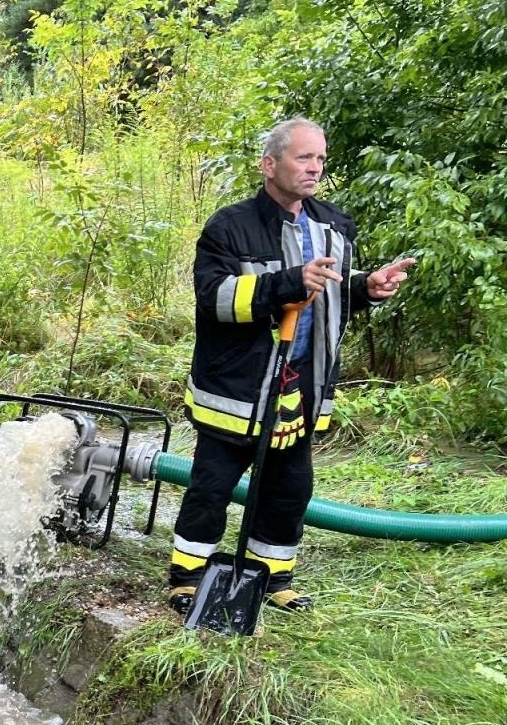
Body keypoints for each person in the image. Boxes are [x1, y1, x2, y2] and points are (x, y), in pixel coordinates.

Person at [167, 117, 415, 616]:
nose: (315, 168)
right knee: (212, 486)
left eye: (320, 158)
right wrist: (286, 283)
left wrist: (366, 287)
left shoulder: (333, 225)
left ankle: (270, 576)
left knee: (289, 489)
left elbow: (329, 293)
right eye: (304, 157)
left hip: (300, 382)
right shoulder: (229, 227)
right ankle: (189, 577)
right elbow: (213, 300)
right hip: (236, 387)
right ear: (270, 164)